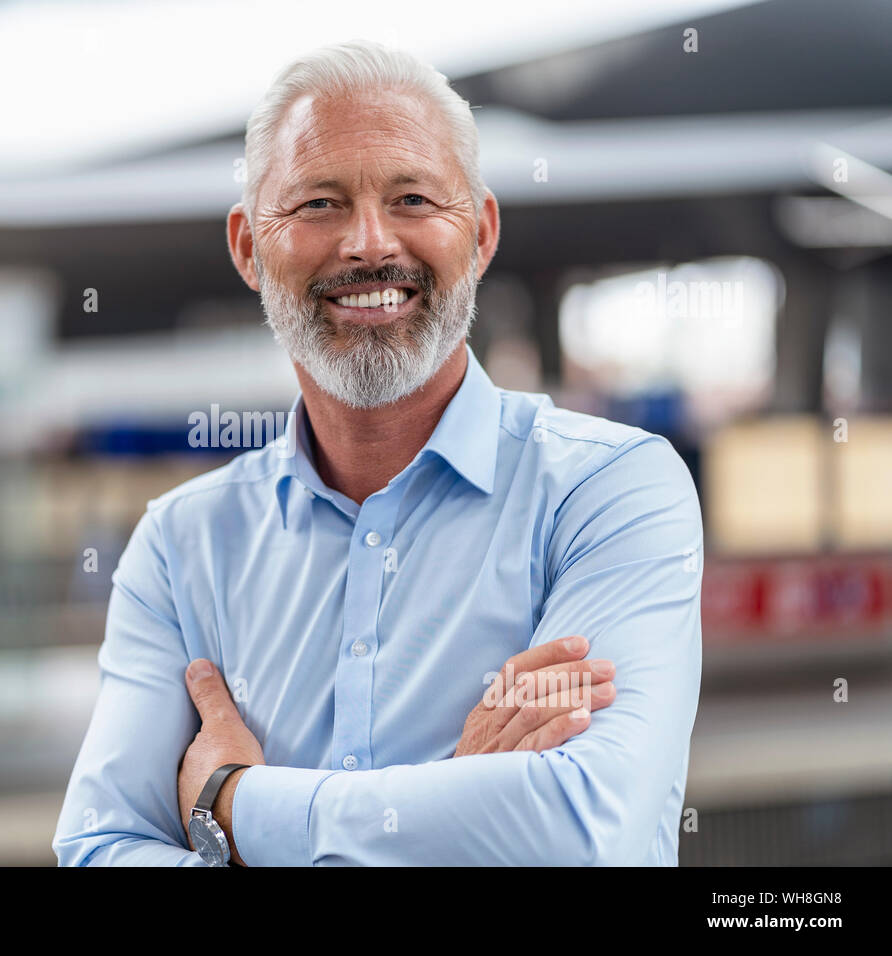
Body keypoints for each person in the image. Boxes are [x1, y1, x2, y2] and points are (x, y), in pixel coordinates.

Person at [53, 40, 702, 866]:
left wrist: (232, 804)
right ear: (249, 247)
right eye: (319, 203)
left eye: (412, 198)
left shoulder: (609, 492)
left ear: (482, 232)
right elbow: (98, 849)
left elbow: (577, 828)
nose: (368, 244)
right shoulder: (183, 547)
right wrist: (458, 804)